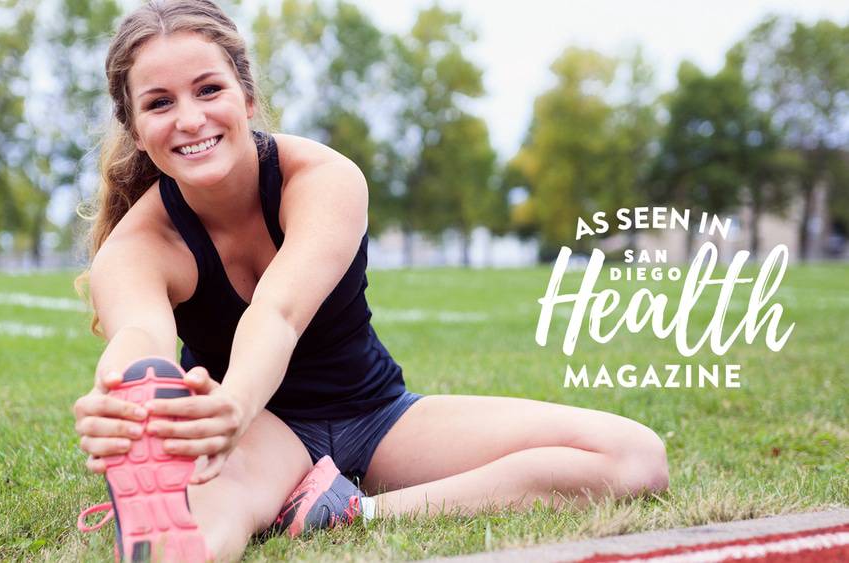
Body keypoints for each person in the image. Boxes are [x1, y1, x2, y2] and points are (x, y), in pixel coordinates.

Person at [72, 0, 669, 561]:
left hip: (377, 414)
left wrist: (230, 402)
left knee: (633, 457)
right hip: (261, 433)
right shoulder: (137, 247)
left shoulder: (324, 178)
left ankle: (348, 513)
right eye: (159, 103)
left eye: (208, 89)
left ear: (246, 96)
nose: (190, 118)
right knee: (202, 525)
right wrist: (123, 394)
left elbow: (276, 315)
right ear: (134, 126)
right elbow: (140, 339)